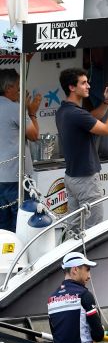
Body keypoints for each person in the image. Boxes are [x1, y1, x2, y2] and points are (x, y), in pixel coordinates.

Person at [56, 68, 108, 229]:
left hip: (72, 177)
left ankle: (72, 254)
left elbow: (91, 118)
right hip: (86, 179)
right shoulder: (76, 114)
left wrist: (105, 102)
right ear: (72, 87)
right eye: (83, 83)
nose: (88, 86)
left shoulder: (64, 110)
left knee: (74, 228)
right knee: (94, 228)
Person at [48, 251, 108, 343]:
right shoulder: (84, 295)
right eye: (87, 270)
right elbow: (98, 335)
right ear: (75, 270)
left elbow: (57, 335)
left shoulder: (51, 299)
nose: (89, 276)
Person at [0, 70, 40, 232]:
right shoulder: (15, 109)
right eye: (17, 87)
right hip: (16, 179)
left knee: (3, 228)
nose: (19, 91)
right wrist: (31, 112)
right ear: (8, 88)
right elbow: (34, 135)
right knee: (22, 225)